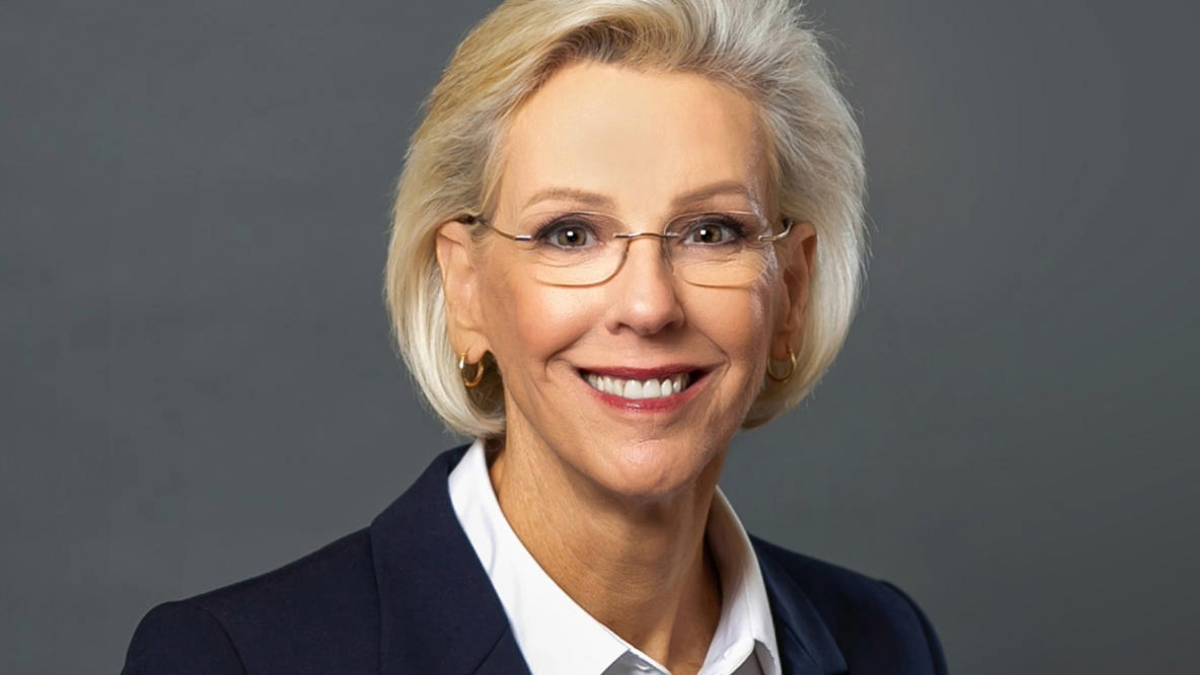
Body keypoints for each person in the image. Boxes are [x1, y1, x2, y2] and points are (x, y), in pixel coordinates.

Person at [121, 0, 948, 673]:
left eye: (710, 232)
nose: (648, 304)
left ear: (791, 289)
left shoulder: (889, 642)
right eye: (570, 234)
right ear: (465, 289)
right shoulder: (234, 660)